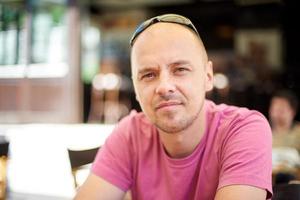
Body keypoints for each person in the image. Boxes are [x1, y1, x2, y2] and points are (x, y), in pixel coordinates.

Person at [75, 13, 272, 200]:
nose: (164, 87)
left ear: (208, 77)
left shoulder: (243, 129)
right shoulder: (130, 134)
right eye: (149, 75)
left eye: (180, 69)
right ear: (136, 87)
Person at [269, 89, 300, 184]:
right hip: (270, 180)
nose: (277, 113)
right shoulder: (263, 132)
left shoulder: (298, 132)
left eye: (282, 109)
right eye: (275, 108)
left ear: (292, 112)